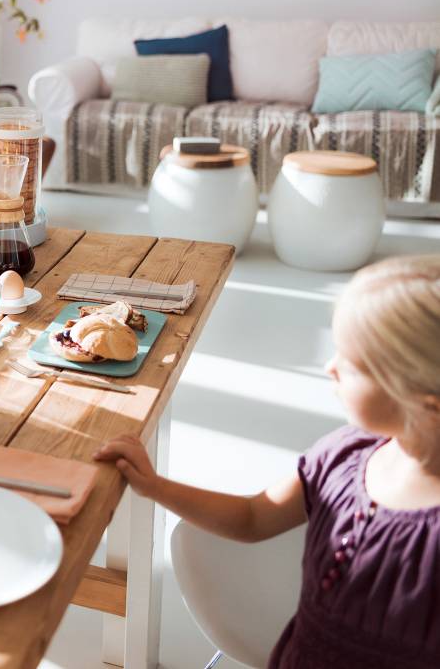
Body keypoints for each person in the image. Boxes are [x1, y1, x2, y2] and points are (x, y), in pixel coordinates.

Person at [95, 254, 440, 668]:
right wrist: (154, 486)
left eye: (354, 365)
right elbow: (254, 517)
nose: (331, 368)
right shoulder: (345, 456)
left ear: (426, 403)